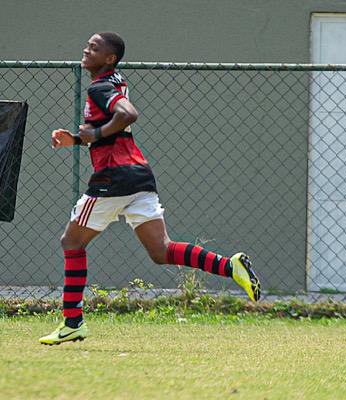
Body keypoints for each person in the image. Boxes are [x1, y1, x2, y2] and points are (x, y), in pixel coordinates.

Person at [39, 32, 261, 345]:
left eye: (94, 47)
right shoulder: (114, 80)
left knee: (72, 242)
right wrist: (77, 139)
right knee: (162, 251)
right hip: (139, 175)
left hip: (112, 178)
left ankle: (73, 322)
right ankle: (231, 266)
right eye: (87, 45)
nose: (86, 49)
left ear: (109, 58)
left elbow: (128, 115)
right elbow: (117, 131)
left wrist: (94, 133)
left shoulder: (100, 86)